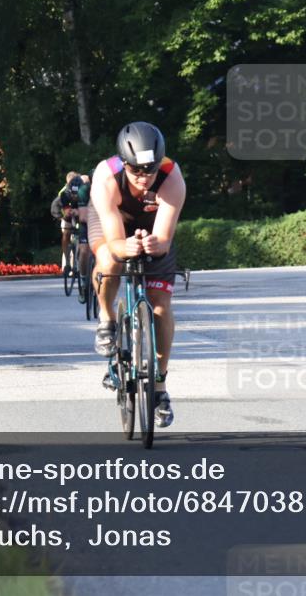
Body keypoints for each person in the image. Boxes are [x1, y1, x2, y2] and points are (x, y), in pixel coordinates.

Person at [87, 122, 186, 427]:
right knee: (109, 259)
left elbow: (164, 239)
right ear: (125, 164)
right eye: (136, 172)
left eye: (150, 171)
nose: (144, 179)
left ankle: (159, 386)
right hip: (113, 222)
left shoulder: (171, 176)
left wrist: (156, 244)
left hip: (152, 224)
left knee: (159, 306)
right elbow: (116, 242)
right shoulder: (106, 176)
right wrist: (124, 246)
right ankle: (107, 319)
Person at [50, 172, 89, 276]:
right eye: (73, 194)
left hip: (83, 214)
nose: (75, 196)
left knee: (84, 236)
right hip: (68, 216)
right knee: (66, 234)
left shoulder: (86, 193)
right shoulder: (64, 195)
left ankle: (81, 262)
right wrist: (62, 216)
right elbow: (55, 207)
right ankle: (67, 262)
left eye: (77, 194)